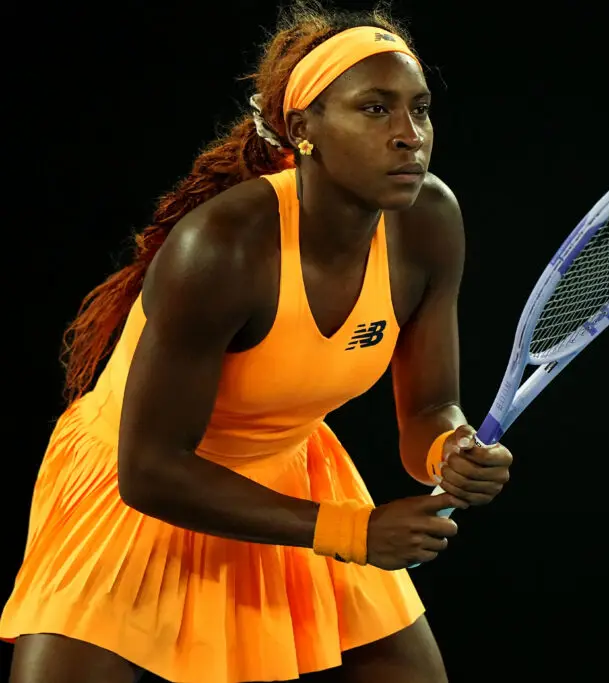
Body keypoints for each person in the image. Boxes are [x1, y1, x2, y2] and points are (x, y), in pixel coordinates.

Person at [1, 2, 513, 682]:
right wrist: (355, 532)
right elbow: (149, 468)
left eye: (418, 109)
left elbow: (427, 411)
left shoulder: (429, 223)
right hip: (139, 483)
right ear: (304, 129)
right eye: (374, 110)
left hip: (291, 474)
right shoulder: (221, 249)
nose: (408, 136)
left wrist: (451, 449)